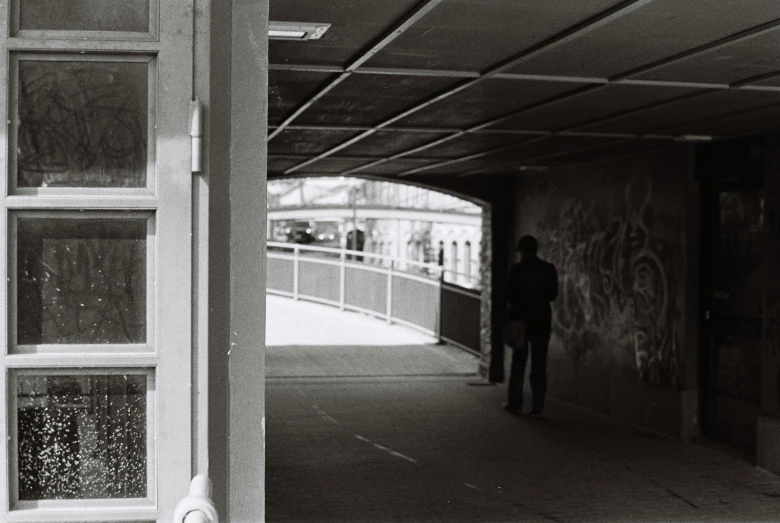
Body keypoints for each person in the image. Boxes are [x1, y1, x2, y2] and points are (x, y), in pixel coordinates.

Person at [504, 235, 558, 418]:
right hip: (542, 320)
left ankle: (515, 403)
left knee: (518, 362)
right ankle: (537, 407)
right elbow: (553, 295)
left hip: (521, 321)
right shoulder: (548, 269)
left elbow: (509, 295)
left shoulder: (517, 270)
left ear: (523, 251)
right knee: (539, 365)